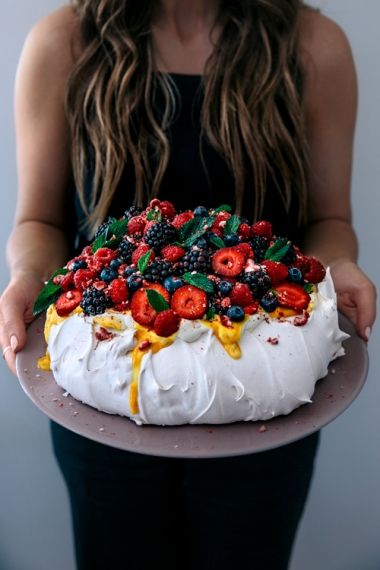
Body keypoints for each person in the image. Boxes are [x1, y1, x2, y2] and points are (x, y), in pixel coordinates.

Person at [0, 1, 376, 569]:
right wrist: (28, 277)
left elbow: (328, 221)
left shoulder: (314, 47)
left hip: (264, 395)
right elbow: (42, 222)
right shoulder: (63, 43)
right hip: (106, 394)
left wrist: (338, 264)